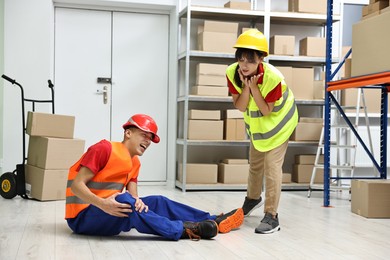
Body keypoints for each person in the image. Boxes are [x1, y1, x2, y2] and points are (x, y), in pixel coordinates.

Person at [65, 113, 244, 240]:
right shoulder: (104, 148)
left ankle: (212, 219)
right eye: (144, 135)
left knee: (158, 201)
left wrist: (137, 201)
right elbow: (76, 185)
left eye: (150, 138)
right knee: (127, 200)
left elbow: (134, 196)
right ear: (128, 133)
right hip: (83, 217)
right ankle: (182, 230)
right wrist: (104, 204)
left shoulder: (135, 163)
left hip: (109, 210)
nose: (148, 141)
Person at [225, 29, 298, 234]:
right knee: (255, 164)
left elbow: (266, 110)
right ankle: (253, 198)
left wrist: (255, 88)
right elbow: (240, 106)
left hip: (280, 125)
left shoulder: (273, 77)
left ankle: (271, 215)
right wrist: (247, 87)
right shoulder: (233, 73)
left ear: (261, 59)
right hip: (259, 128)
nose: (244, 65)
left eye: (250, 60)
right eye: (241, 59)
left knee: (271, 167)